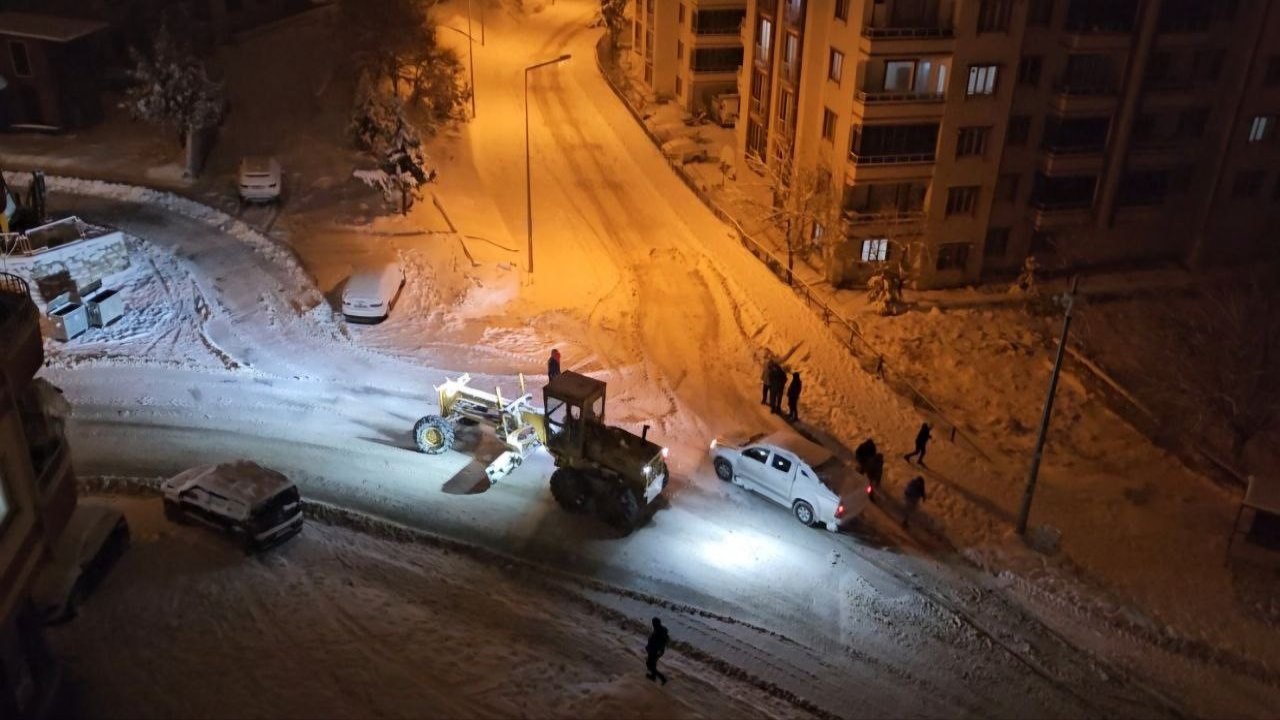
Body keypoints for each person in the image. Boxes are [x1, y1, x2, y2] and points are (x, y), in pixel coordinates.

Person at [645, 617, 669, 685]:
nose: (652, 624)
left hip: (655, 651)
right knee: (652, 664)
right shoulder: (661, 629)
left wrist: (652, 648)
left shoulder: (659, 631)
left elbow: (658, 642)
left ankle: (662, 678)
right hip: (655, 650)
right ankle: (653, 676)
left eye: (653, 623)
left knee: (649, 664)